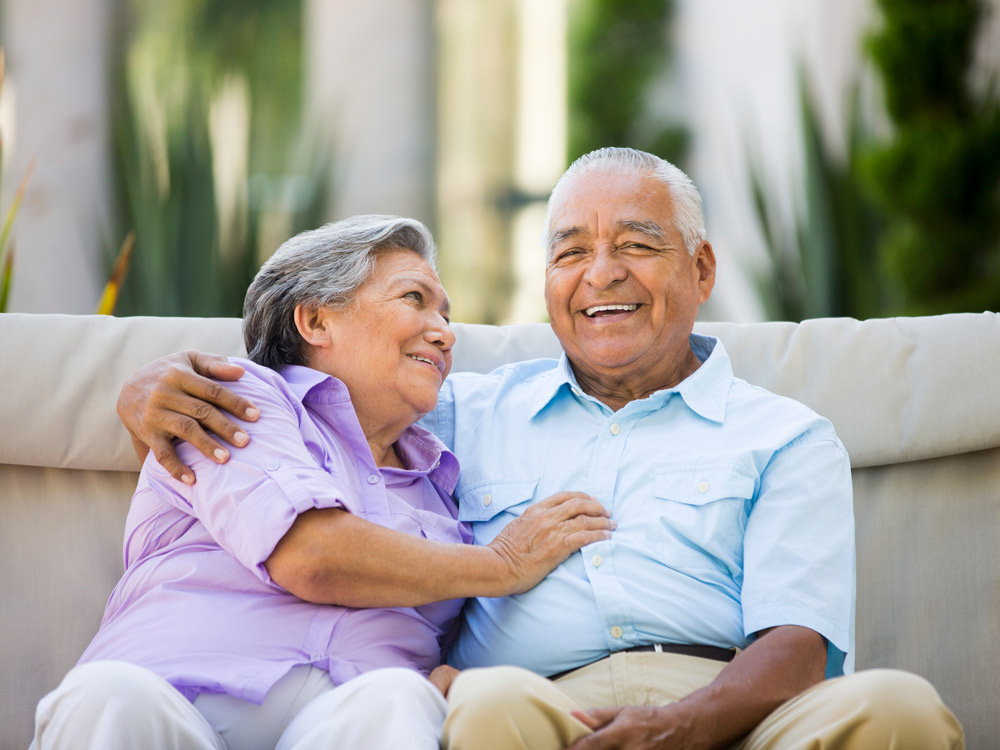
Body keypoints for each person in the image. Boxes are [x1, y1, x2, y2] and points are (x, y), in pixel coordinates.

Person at [115, 149, 964, 750]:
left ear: (701, 270)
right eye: (571, 253)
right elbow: (331, 409)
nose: (601, 274)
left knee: (901, 707)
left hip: (734, 706)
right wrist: (144, 388)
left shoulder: (786, 435)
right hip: (537, 710)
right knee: (483, 709)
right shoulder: (456, 413)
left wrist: (687, 725)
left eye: (635, 243)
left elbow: (799, 646)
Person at [32, 215, 614, 750]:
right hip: (180, 694)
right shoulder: (237, 398)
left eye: (446, 314)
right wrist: (502, 567)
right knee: (110, 696)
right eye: (416, 299)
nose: (444, 332)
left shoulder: (446, 473)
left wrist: (455, 674)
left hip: (353, 712)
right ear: (314, 320)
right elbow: (311, 555)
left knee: (399, 699)